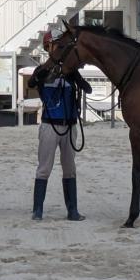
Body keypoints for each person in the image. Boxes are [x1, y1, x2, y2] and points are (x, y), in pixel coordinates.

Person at [28, 32, 91, 221]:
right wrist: (46, 71)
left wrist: (75, 75)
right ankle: (37, 209)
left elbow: (87, 88)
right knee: (44, 168)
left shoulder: (72, 73)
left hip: (69, 124)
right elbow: (32, 82)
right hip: (50, 124)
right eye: (55, 46)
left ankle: (72, 210)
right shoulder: (42, 70)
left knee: (69, 168)